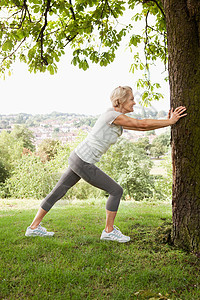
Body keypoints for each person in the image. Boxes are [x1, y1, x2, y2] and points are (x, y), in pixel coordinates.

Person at [25, 86, 187, 242]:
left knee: (58, 191)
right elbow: (141, 124)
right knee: (116, 190)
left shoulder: (116, 117)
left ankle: (33, 228)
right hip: (83, 161)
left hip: (77, 157)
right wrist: (171, 122)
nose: (134, 102)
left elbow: (142, 128)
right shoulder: (113, 116)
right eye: (131, 99)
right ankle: (108, 231)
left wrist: (167, 122)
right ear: (121, 101)